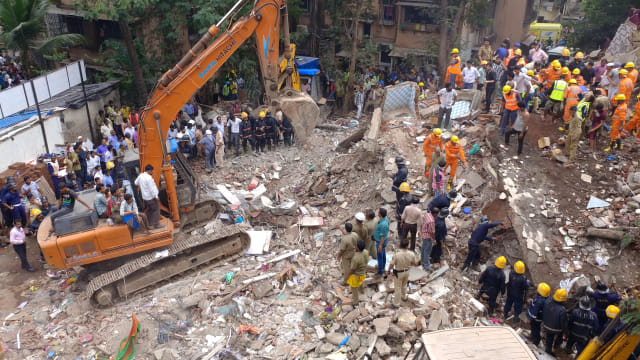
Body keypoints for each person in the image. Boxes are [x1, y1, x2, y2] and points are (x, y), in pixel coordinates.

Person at [388, 238, 416, 307]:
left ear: (400, 245)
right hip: (407, 271)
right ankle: (404, 297)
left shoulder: (397, 255)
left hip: (399, 273)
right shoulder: (411, 254)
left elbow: (391, 264)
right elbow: (414, 263)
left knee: (397, 288)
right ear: (407, 246)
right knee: (404, 285)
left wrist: (389, 271)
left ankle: (396, 303)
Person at [543, 288, 569, 355]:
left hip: (546, 325)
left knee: (549, 337)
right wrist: (566, 332)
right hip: (556, 329)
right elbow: (563, 323)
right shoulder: (562, 310)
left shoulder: (547, 301)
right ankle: (556, 347)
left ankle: (548, 349)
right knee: (561, 335)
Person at [344, 240, 368, 305]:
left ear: (357, 247)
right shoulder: (366, 252)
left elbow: (352, 270)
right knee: (360, 282)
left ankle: (356, 302)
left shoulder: (355, 258)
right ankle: (362, 291)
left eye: (356, 246)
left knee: (354, 288)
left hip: (356, 275)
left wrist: (347, 276)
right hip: (363, 272)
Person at [373, 207, 389, 277]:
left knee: (379, 257)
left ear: (380, 214)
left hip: (380, 242)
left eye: (378, 212)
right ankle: (383, 267)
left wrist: (380, 245)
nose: (377, 212)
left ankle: (380, 272)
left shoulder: (383, 224)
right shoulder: (385, 219)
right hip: (381, 241)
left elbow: (382, 236)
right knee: (383, 254)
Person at [420, 207, 438, 271]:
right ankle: (427, 265)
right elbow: (432, 232)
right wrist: (434, 239)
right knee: (427, 251)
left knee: (424, 248)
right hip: (428, 237)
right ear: (435, 214)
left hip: (423, 234)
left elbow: (423, 222)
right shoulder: (431, 221)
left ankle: (422, 259)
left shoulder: (427, 214)